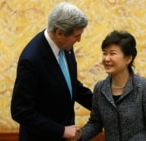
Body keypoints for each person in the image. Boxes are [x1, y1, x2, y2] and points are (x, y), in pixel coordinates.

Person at [10, 2, 93, 141]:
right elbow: (21, 111)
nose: (79, 40)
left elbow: (70, 85)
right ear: (59, 33)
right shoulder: (31, 59)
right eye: (76, 35)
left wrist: (103, 106)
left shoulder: (65, 45)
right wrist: (61, 131)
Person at [79, 30, 146, 141]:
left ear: (129, 58)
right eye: (105, 53)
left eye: (112, 53)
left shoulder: (145, 88)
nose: (107, 58)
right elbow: (95, 123)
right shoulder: (100, 88)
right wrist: (79, 135)